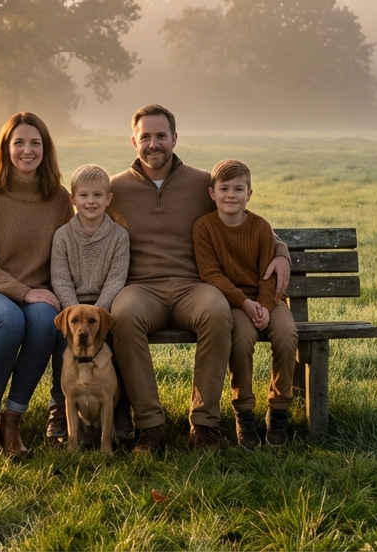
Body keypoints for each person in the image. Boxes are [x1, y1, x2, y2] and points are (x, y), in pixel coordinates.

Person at [108, 104, 291, 452]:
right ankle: (150, 425)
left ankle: (205, 424)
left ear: (174, 138)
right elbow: (83, 227)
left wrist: (281, 252)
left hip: (195, 285)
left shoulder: (201, 183)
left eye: (161, 136)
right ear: (133, 140)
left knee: (217, 311)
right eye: (145, 136)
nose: (153, 144)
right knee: (123, 316)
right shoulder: (117, 188)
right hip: (141, 288)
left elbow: (244, 217)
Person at [0, 112, 73, 456]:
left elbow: (70, 248)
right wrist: (24, 291)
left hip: (37, 294)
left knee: (44, 323)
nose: (27, 150)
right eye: (19, 143)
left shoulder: (58, 198)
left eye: (35, 143)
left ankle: (13, 421)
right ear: (6, 148)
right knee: (10, 321)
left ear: (46, 149)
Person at [193, 159, 299, 449]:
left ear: (249, 194)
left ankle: (279, 410)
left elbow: (267, 272)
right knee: (241, 340)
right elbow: (211, 274)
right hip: (234, 303)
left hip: (269, 301)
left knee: (287, 336)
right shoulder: (204, 228)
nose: (231, 195)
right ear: (212, 192)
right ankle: (244, 412)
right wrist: (245, 304)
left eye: (238, 189)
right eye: (224, 188)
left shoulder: (261, 227)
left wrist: (263, 305)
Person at [48, 163, 131, 442]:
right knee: (65, 342)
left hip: (104, 307)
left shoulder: (119, 237)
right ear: (73, 200)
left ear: (108, 199)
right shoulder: (63, 236)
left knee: (117, 333)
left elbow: (116, 279)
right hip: (71, 306)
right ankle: (60, 405)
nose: (91, 201)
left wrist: (97, 316)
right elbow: (60, 279)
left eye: (98, 195)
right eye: (84, 196)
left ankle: (118, 405)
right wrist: (75, 317)